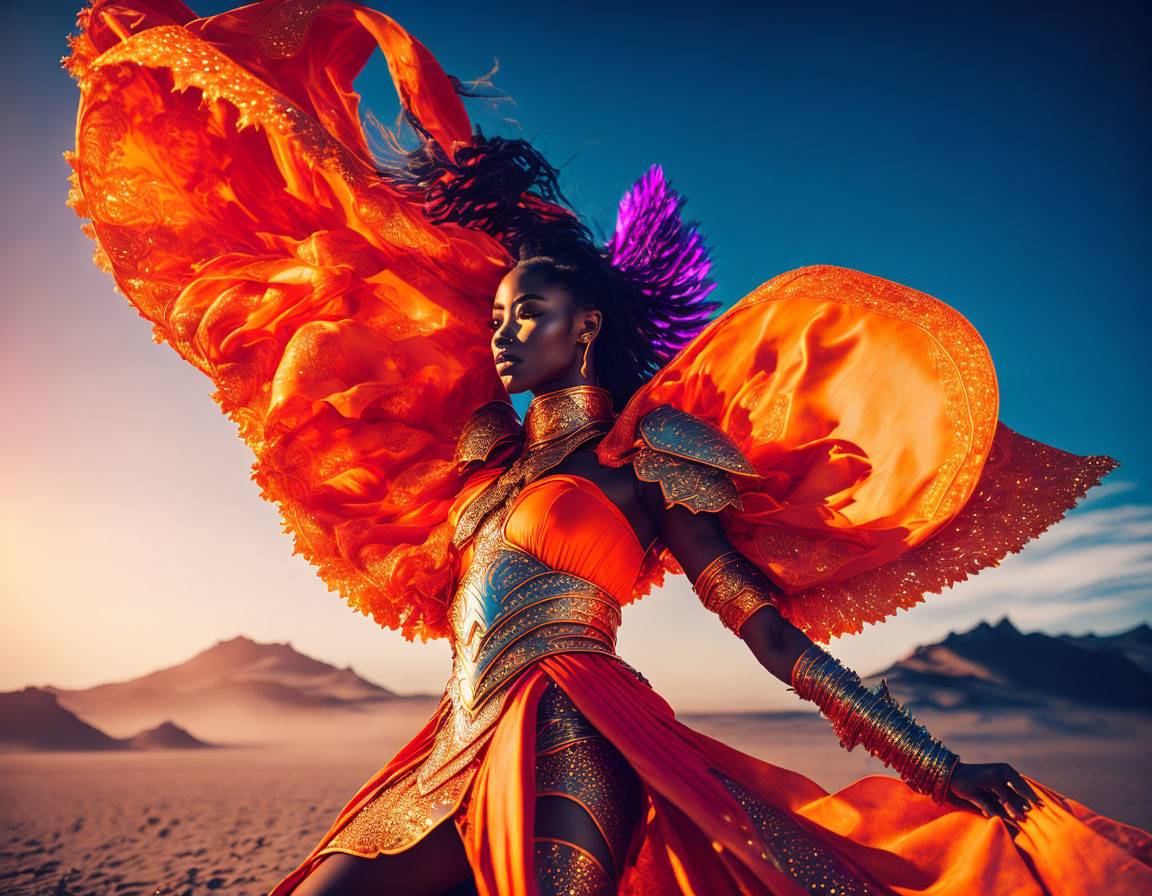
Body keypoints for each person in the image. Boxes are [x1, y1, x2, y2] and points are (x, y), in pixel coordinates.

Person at [64, 1, 1152, 894]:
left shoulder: (649, 457)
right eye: (494, 316)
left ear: (586, 325)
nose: (501, 331)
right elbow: (344, 288)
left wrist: (938, 762)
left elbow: (774, 639)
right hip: (455, 734)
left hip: (580, 734)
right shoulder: (482, 463)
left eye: (524, 313)